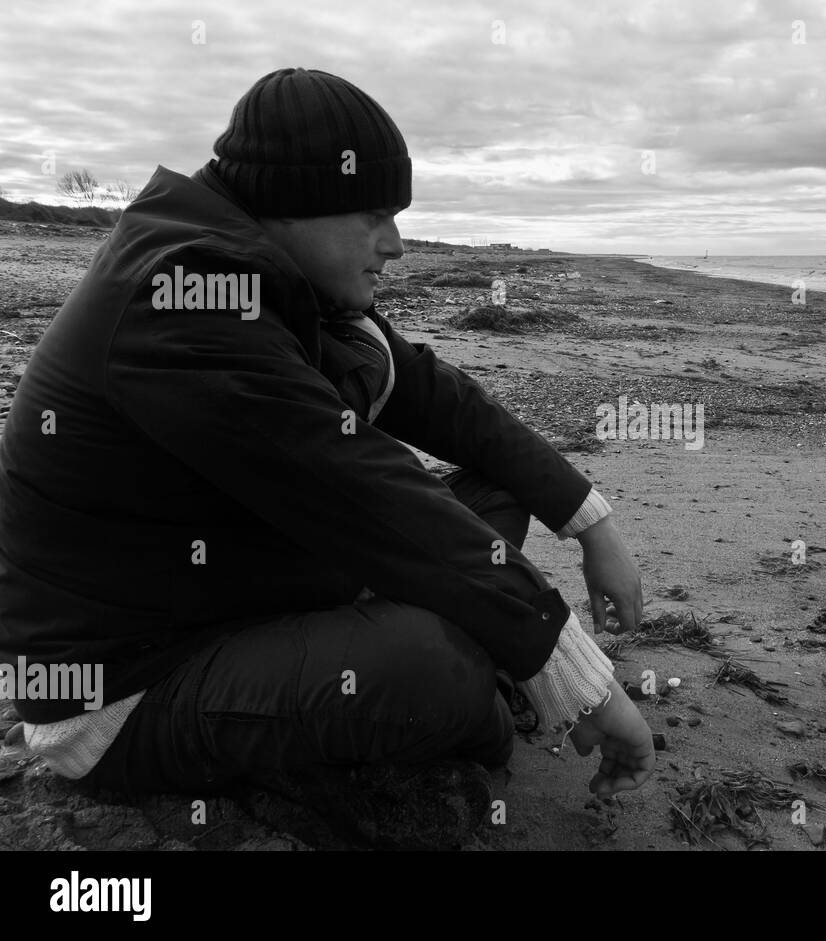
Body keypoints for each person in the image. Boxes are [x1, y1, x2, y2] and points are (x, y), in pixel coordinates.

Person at [0, 67, 654, 847]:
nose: (397, 247)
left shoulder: (280, 282)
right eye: (375, 216)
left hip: (232, 589)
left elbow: (444, 399)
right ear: (293, 200)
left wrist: (589, 520)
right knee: (438, 668)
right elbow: (364, 491)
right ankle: (460, 694)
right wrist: (575, 674)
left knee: (488, 495)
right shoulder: (181, 296)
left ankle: (463, 658)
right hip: (129, 686)